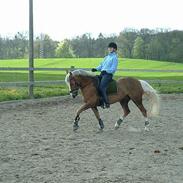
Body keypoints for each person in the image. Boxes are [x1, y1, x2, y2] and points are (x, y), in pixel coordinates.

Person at [91, 42, 118, 108]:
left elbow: (113, 69)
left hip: (108, 75)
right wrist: (96, 69)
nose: (109, 49)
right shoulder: (106, 57)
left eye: (111, 48)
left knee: (102, 87)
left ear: (114, 49)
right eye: (109, 48)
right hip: (102, 74)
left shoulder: (114, 58)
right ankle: (98, 100)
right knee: (94, 82)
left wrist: (106, 71)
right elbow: (101, 66)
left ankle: (106, 102)